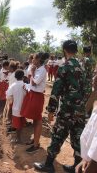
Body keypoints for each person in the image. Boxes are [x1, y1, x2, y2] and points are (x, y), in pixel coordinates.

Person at [34, 40, 87, 172]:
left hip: (67, 110)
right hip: (80, 110)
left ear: (64, 50)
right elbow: (87, 90)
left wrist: (51, 110)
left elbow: (56, 90)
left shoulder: (64, 67)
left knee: (58, 135)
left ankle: (48, 164)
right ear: (76, 51)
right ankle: (77, 166)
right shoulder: (82, 67)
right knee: (77, 137)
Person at [20, 52, 48, 153]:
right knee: (35, 120)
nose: (32, 61)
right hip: (33, 94)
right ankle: (35, 141)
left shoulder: (42, 70)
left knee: (38, 119)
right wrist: (27, 86)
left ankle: (36, 145)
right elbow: (31, 84)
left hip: (37, 96)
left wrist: (31, 72)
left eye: (34, 59)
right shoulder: (38, 69)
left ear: (39, 60)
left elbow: (34, 82)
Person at [6, 69, 27, 143]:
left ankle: (18, 138)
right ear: (23, 77)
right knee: (21, 124)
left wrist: (11, 101)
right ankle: (19, 138)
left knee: (17, 124)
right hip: (24, 107)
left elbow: (8, 95)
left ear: (15, 77)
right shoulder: (25, 85)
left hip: (15, 108)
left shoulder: (13, 85)